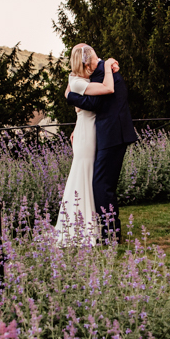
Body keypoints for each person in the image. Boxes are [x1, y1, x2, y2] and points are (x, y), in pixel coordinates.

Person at [64, 45, 137, 242]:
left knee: (102, 185)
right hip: (108, 135)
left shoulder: (105, 72)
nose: (93, 64)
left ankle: (111, 234)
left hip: (113, 135)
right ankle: (107, 230)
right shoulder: (102, 71)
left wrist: (69, 97)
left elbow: (94, 103)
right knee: (101, 184)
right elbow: (91, 106)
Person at [54, 44, 118, 246]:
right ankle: (83, 227)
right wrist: (108, 65)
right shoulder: (78, 83)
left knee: (90, 177)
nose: (95, 61)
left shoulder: (80, 80)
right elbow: (108, 88)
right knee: (85, 174)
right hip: (87, 134)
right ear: (84, 61)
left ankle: (93, 224)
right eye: (92, 58)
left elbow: (82, 108)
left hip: (87, 129)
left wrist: (75, 126)